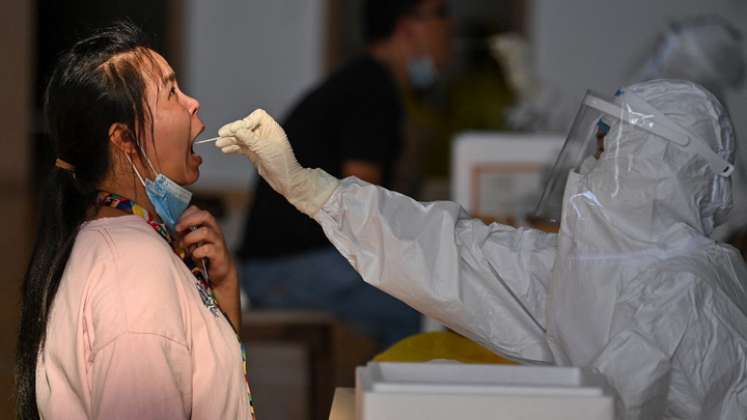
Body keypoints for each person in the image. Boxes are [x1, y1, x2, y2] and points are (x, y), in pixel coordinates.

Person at [217, 79, 747, 419]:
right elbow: (456, 253)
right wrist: (314, 190)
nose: (591, 161)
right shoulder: (602, 270)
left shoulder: (685, 297)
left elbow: (601, 406)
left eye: (609, 146)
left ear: (657, 167)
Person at [16, 22, 254, 419]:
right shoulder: (133, 271)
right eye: (172, 93)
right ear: (124, 140)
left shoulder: (116, 244)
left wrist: (224, 287)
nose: (192, 102)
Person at [236, 0, 451, 347]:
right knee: (416, 305)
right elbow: (362, 204)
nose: (449, 28)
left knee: (419, 289)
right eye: (440, 15)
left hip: (281, 264)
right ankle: (397, 398)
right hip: (285, 268)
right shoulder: (372, 88)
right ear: (408, 27)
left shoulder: (364, 80)